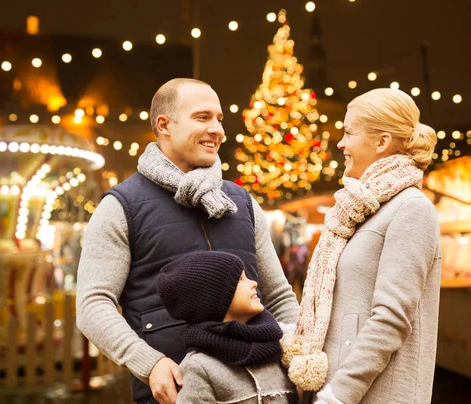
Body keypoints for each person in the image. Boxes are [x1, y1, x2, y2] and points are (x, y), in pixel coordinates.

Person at [76, 78, 299, 404]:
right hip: (176, 394)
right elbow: (93, 305)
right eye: (202, 117)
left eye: (219, 119)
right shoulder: (121, 207)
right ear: (164, 125)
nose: (217, 130)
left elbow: (279, 297)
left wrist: (297, 359)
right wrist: (149, 363)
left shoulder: (244, 202)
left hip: (263, 390)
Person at [280, 88, 441, 404]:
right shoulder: (360, 211)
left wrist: (338, 395)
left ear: (381, 142)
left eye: (348, 132)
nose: (340, 143)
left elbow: (391, 318)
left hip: (374, 396)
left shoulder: (411, 209)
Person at [156, 250, 297, 403]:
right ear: (213, 300)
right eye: (241, 279)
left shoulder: (278, 349)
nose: (253, 283)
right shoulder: (199, 369)